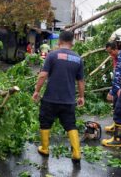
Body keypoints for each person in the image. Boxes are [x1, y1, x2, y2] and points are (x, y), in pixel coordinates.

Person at [32, 31, 85, 166]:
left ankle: (45, 149)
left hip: (50, 99)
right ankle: (77, 153)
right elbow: (81, 81)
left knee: (45, 122)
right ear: (72, 43)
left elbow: (43, 75)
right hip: (68, 100)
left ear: (59, 41)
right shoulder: (78, 58)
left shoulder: (52, 55)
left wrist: (37, 91)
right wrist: (81, 96)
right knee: (70, 124)